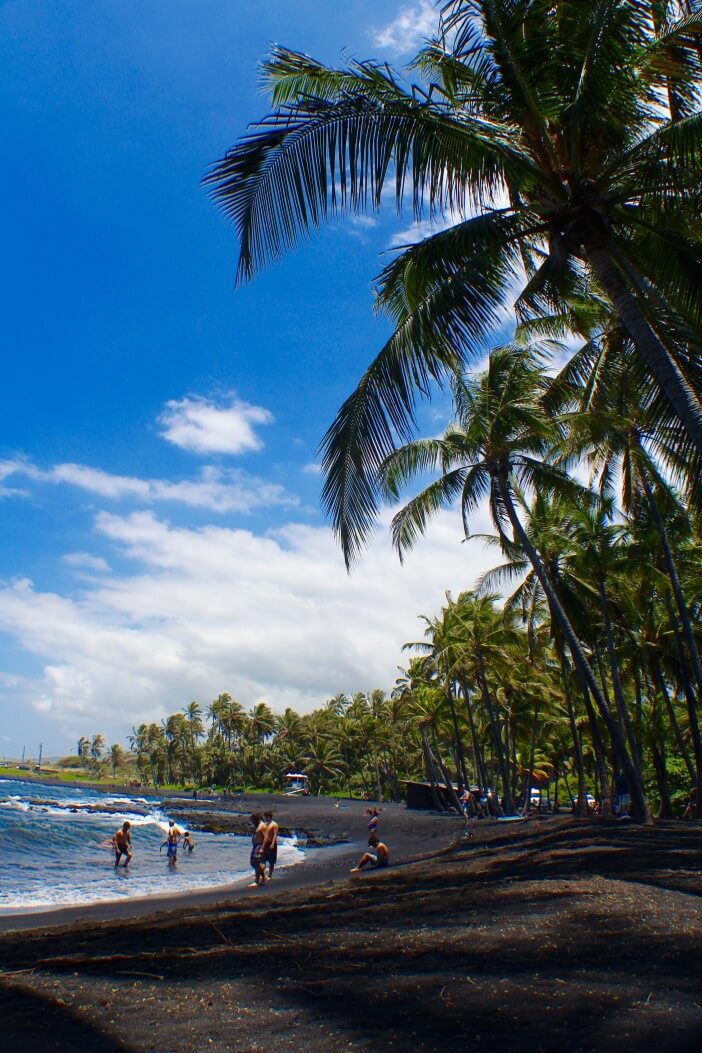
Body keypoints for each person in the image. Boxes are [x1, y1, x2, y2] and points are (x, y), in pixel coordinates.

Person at [249, 812, 267, 887]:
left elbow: (266, 837)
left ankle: (257, 881)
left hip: (259, 846)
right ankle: (263, 876)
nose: (252, 822)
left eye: (253, 820)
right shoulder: (258, 826)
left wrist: (262, 848)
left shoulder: (262, 826)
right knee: (253, 862)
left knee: (256, 862)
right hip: (256, 845)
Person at [262, 810, 279, 879]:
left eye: (266, 817)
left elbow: (275, 835)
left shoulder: (274, 824)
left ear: (269, 816)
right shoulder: (265, 824)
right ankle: (262, 874)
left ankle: (270, 875)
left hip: (272, 843)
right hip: (265, 843)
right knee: (263, 860)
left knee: (271, 860)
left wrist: (272, 844)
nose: (265, 818)